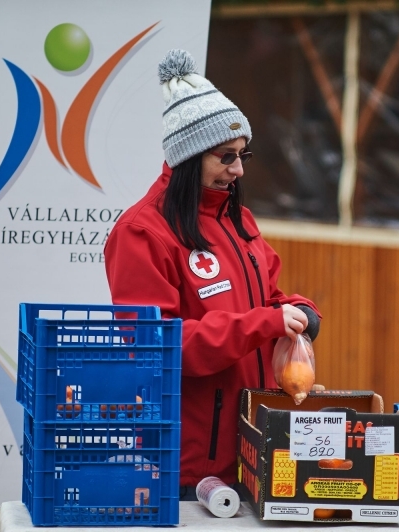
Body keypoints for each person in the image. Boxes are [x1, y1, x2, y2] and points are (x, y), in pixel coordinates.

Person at [104, 49, 322, 497]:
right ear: (188, 156)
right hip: (188, 473)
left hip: (255, 454)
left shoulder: (237, 219)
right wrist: (265, 322)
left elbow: (269, 296)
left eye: (243, 155)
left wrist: (299, 310)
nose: (238, 170)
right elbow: (159, 346)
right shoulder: (141, 233)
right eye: (226, 156)